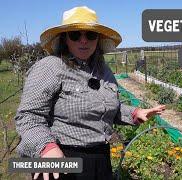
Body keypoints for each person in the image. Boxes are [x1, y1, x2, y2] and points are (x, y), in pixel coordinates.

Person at [14, 6, 165, 180]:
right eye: (76, 35)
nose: (83, 40)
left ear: (98, 39)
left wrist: (135, 113)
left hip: (100, 158)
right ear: (65, 39)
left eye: (90, 35)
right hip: (61, 158)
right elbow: (28, 116)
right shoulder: (51, 67)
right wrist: (46, 147)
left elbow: (108, 108)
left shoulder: (103, 70)